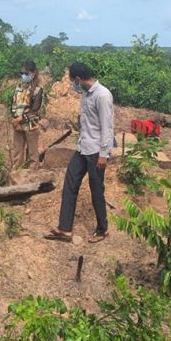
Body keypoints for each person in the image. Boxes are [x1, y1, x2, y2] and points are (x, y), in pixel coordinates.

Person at [45, 61, 114, 244]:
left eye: (72, 81)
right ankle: (64, 228)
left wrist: (104, 154)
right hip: (83, 147)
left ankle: (102, 229)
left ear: (78, 79)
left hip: (96, 151)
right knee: (70, 182)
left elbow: (107, 127)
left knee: (96, 189)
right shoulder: (85, 93)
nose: (73, 85)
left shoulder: (103, 95)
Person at [10, 60, 44, 169]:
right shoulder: (18, 88)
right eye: (22, 73)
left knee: (33, 155)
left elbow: (35, 110)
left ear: (33, 73)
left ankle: (32, 178)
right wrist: (15, 120)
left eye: (26, 73)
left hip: (31, 126)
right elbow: (14, 105)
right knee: (17, 154)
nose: (23, 76)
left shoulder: (37, 90)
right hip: (18, 126)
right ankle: (17, 177)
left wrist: (19, 119)